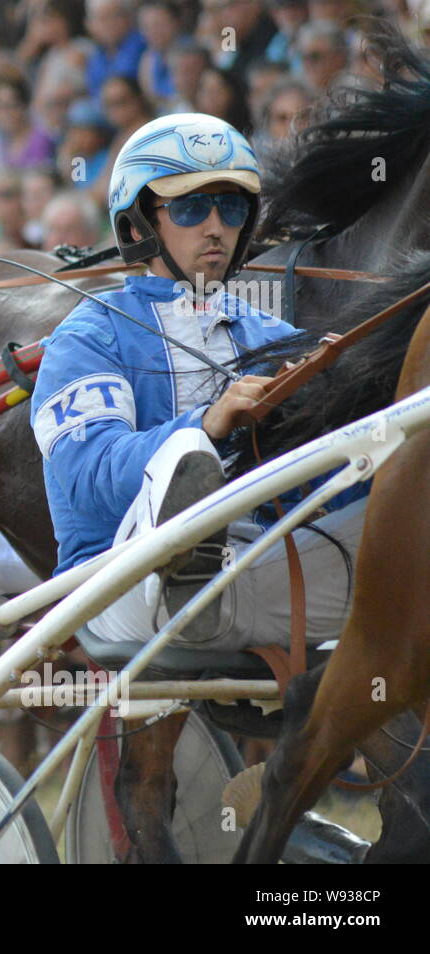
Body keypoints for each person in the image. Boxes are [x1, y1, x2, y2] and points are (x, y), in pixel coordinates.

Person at [31, 113, 370, 651]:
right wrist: (205, 427)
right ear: (140, 224)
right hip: (119, 587)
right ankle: (190, 572)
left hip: (263, 573)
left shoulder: (277, 336)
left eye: (231, 208)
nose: (215, 227)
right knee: (187, 449)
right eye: (190, 208)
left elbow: (326, 484)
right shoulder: (88, 336)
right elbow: (87, 475)